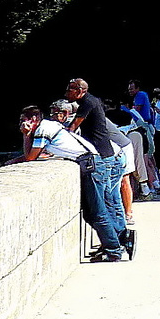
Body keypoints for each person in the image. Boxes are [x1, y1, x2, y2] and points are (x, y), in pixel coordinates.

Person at [17, 102, 126, 262]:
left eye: (22, 120)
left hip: (91, 166)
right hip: (92, 164)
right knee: (91, 213)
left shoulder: (43, 130)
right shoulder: (50, 126)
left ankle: (114, 250)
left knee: (97, 212)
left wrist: (26, 135)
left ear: (33, 119)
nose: (20, 124)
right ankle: (118, 241)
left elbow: (30, 158)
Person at [64, 78, 133, 260]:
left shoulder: (86, 102)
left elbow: (72, 128)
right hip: (110, 155)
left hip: (101, 158)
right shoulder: (93, 100)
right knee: (110, 201)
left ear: (79, 90)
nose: (66, 92)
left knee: (97, 209)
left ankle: (113, 249)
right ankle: (122, 239)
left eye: (70, 89)